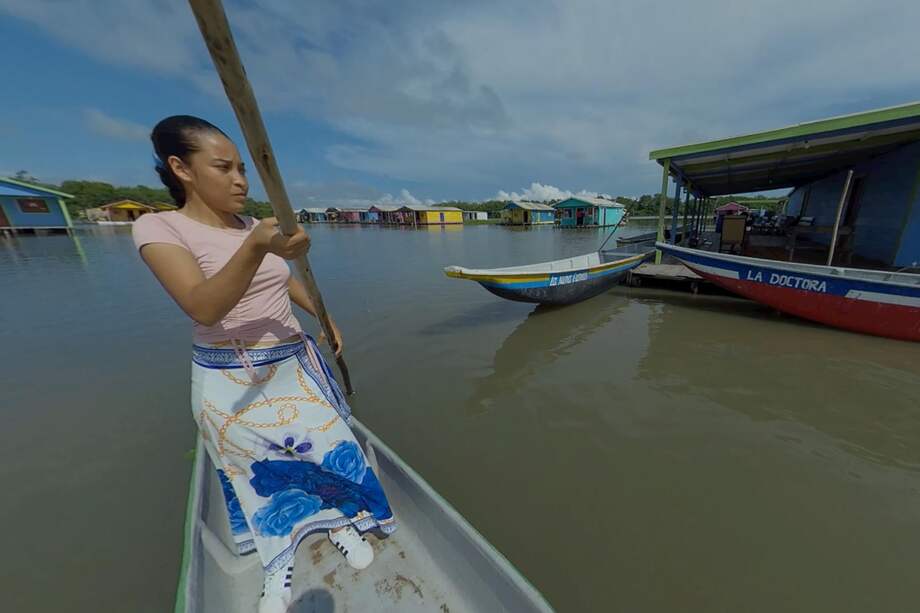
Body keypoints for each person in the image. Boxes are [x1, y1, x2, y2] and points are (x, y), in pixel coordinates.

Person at [133, 115, 396, 613]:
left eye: (242, 169)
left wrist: (323, 314)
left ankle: (339, 521)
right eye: (223, 168)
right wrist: (256, 247)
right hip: (229, 377)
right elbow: (203, 305)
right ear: (180, 168)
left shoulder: (253, 225)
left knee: (329, 446)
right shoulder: (159, 227)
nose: (240, 180)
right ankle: (278, 564)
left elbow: (283, 282)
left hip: (291, 365)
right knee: (255, 475)